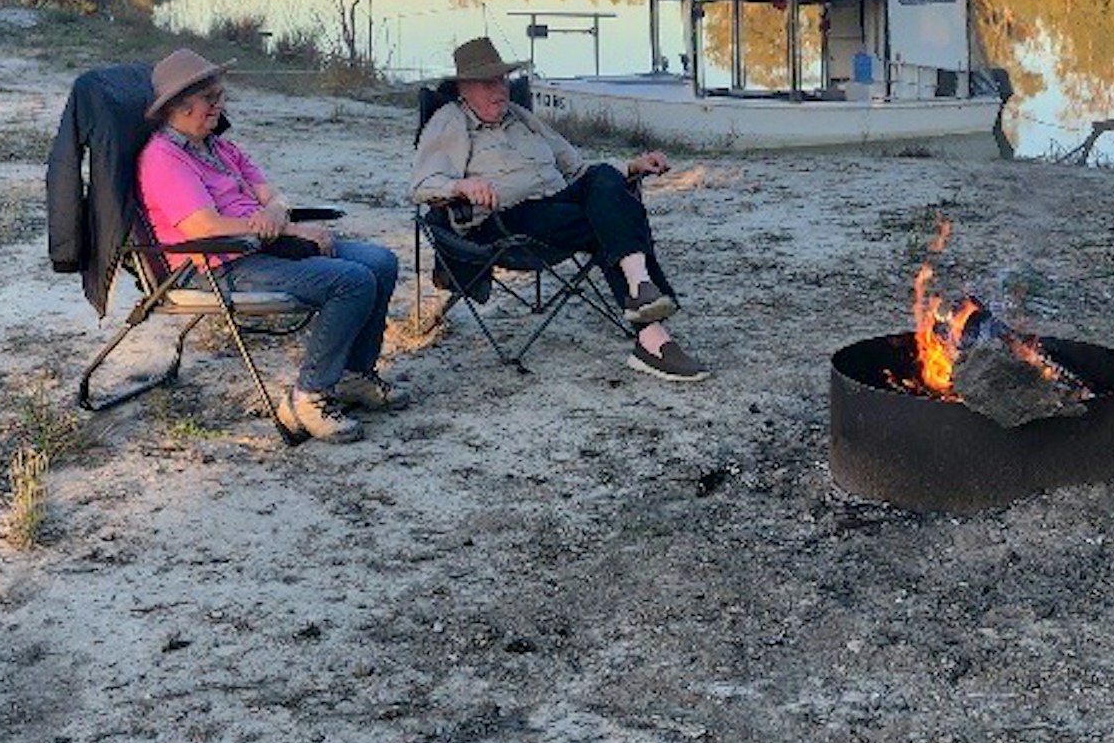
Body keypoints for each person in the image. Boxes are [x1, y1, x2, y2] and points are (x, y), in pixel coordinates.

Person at [135, 47, 404, 442]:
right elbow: (204, 227)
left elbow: (272, 195)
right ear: (179, 104)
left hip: (260, 246)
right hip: (216, 265)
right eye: (210, 99)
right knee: (352, 281)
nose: (219, 107)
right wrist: (288, 229)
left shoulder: (218, 146)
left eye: (219, 96)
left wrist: (279, 213)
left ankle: (352, 376)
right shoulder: (164, 159)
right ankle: (308, 398)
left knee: (381, 262)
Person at [415, 36, 707, 381]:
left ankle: (641, 288)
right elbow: (422, 184)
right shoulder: (451, 120)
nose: (500, 91)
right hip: (506, 221)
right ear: (464, 88)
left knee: (603, 180)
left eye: (502, 80)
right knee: (608, 220)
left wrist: (633, 166)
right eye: (488, 83)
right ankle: (652, 332)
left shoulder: (521, 117)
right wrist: (462, 185)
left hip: (556, 207)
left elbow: (580, 170)